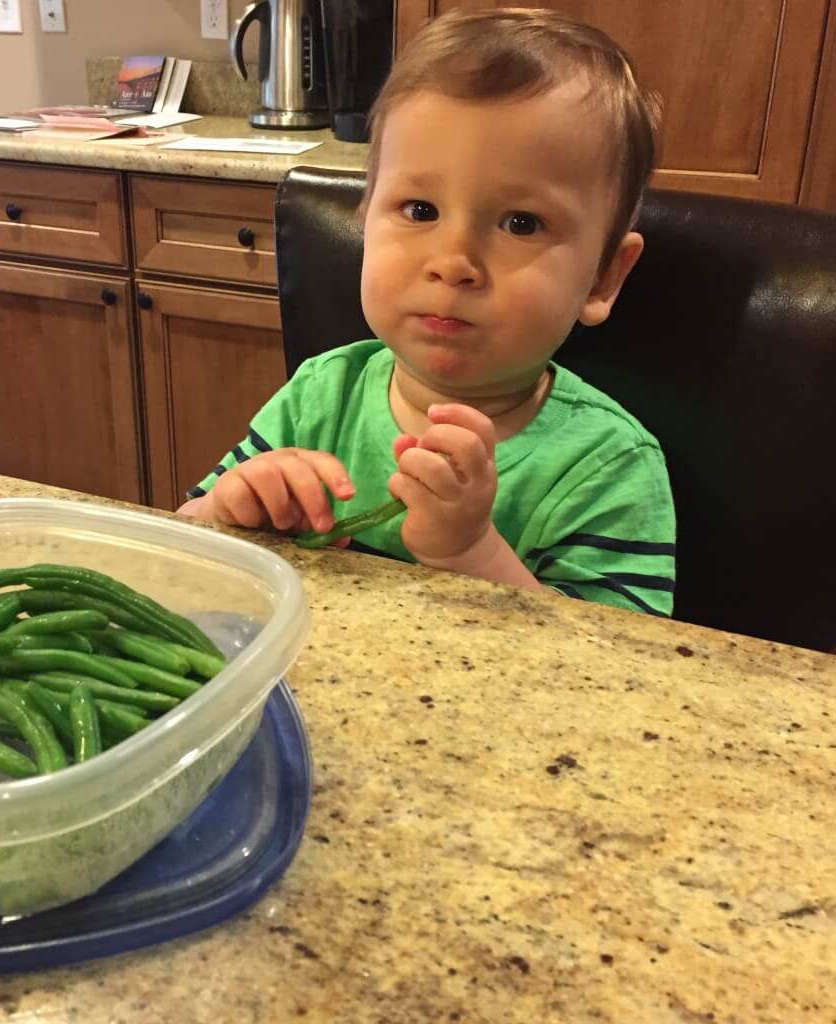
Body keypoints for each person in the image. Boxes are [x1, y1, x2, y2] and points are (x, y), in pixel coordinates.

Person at [178, 7, 676, 617]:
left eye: (521, 223)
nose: (454, 262)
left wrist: (473, 552)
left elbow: (626, 673)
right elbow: (184, 545)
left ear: (604, 277)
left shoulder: (608, 466)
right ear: (363, 220)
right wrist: (230, 509)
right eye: (419, 210)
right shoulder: (319, 397)